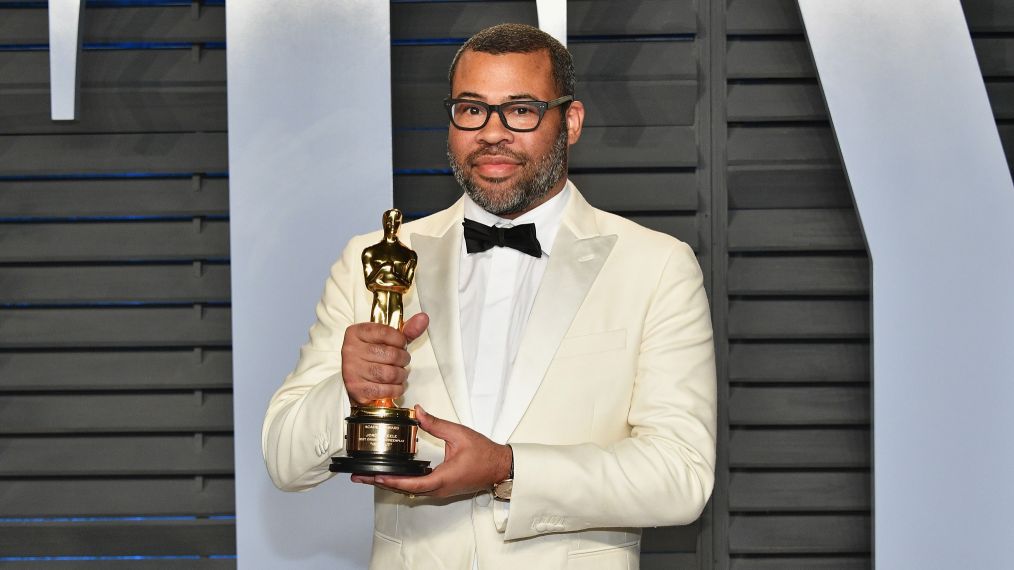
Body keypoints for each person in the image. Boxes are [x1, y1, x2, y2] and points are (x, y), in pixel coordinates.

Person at [263, 23, 717, 570]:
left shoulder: (655, 265)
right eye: (471, 109)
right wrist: (349, 391)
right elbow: (285, 461)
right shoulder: (377, 257)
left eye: (521, 110)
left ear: (569, 122)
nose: (491, 132)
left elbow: (682, 474)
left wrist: (509, 468)